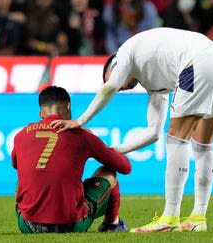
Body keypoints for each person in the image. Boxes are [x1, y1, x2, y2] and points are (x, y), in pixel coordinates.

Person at [52, 27, 213, 233]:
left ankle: (170, 216)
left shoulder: (123, 54)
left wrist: (80, 120)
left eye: (110, 77)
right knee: (204, 145)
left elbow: (110, 87)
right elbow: (153, 133)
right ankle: (198, 217)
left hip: (198, 63)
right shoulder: (155, 79)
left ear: (113, 66)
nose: (119, 87)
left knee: (177, 139)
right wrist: (111, 151)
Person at [12, 86, 131, 234]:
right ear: (68, 106)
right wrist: (98, 143)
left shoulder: (21, 135)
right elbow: (125, 167)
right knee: (108, 172)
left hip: (28, 225)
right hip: (72, 224)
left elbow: (17, 165)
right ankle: (112, 224)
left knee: (23, 177)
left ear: (41, 113)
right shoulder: (81, 135)